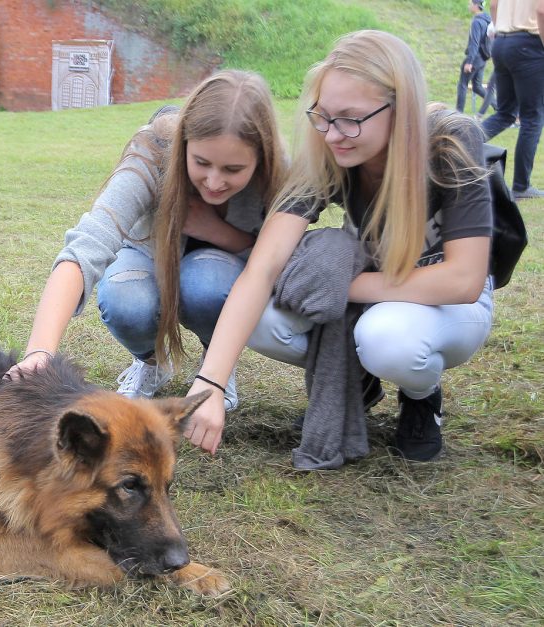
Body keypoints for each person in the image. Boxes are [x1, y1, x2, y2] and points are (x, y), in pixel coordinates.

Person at [184, 30, 494, 464]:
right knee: (253, 313)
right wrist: (211, 382)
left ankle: (421, 394)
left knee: (387, 338)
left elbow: (463, 279)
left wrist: (343, 286)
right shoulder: (329, 151)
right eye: (324, 117)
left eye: (351, 119)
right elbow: (263, 267)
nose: (333, 135)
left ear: (399, 108)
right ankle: (357, 383)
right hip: (376, 292)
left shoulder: (451, 141)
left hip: (449, 307)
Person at [5, 70, 288, 412]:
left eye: (232, 170)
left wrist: (216, 232)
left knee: (207, 286)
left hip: (224, 268)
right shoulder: (153, 152)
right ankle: (152, 362)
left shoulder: (279, 173)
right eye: (201, 162)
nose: (214, 182)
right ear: (183, 142)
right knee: (125, 299)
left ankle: (217, 363)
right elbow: (87, 246)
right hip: (145, 254)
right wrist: (39, 352)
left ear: (261, 158)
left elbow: (277, 259)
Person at [481, 0, 544, 199]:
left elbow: (493, 4)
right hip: (529, 43)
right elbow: (541, 10)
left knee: (505, 113)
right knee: (532, 118)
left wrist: (501, 28)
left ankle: (457, 141)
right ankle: (521, 186)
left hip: (501, 42)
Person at [456, 0, 493, 114]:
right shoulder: (487, 20)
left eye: (470, 3)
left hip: (474, 57)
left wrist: (469, 61)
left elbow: (474, 43)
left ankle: (458, 113)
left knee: (462, 84)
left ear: (476, 6)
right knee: (477, 86)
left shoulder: (477, 22)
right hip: (483, 58)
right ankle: (498, 106)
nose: (469, 5)